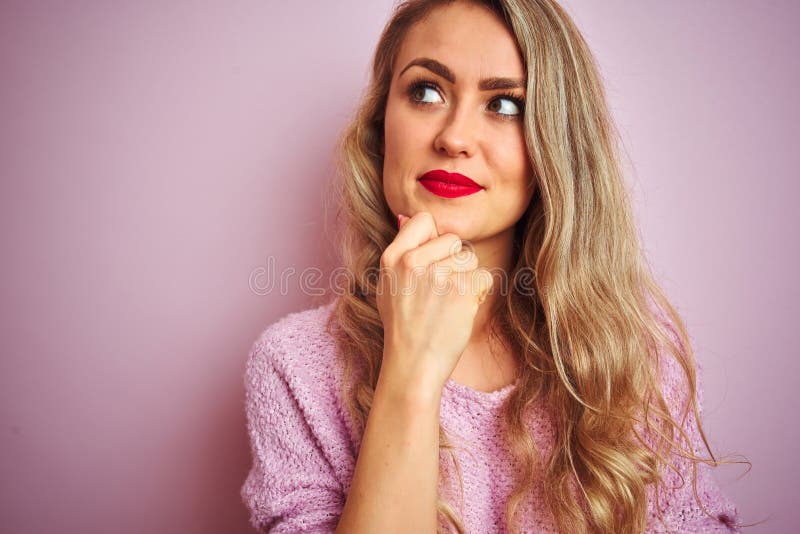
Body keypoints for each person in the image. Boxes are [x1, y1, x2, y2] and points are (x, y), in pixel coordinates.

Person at [241, 0, 746, 532]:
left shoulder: (630, 349)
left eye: (506, 104)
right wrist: (409, 372)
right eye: (426, 92)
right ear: (380, 122)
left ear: (555, 145)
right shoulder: (294, 368)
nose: (454, 138)